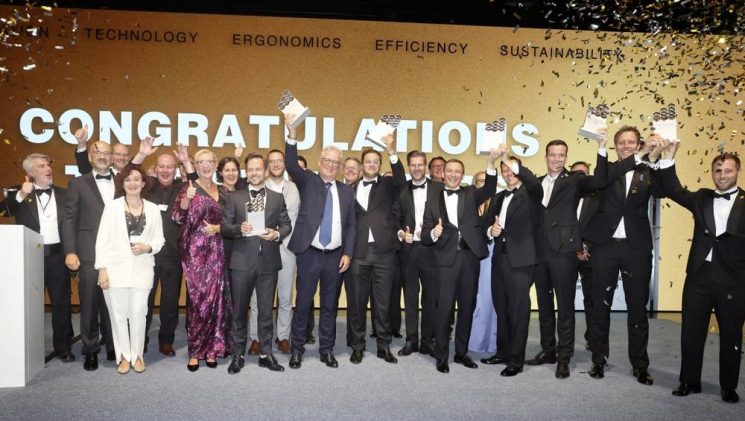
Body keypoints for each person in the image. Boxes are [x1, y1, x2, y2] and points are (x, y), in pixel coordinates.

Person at [657, 142, 744, 403]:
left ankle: (728, 387)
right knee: (691, 333)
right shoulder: (702, 197)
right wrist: (668, 157)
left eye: (728, 171)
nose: (722, 175)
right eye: (718, 170)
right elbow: (673, 190)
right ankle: (688, 381)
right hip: (699, 276)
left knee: (731, 335)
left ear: (737, 172)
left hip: (733, 279)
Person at [518, 137, 608, 379]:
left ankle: (564, 357)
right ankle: (548, 350)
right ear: (546, 156)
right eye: (553, 155)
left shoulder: (574, 181)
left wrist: (601, 147)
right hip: (539, 252)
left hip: (564, 253)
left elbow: (599, 180)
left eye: (561, 155)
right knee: (544, 305)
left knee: (565, 307)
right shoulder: (536, 183)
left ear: (566, 157)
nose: (557, 159)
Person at [585, 126, 664, 384]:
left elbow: (662, 190)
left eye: (631, 142)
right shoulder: (608, 170)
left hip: (636, 248)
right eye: (621, 142)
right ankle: (598, 359)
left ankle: (640, 364)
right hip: (605, 247)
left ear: (638, 144)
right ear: (615, 145)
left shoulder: (647, 170)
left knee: (637, 308)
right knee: (600, 306)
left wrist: (656, 157)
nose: (626, 146)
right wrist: (602, 146)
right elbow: (599, 181)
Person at [284, 114, 356, 369]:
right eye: (327, 160)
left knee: (329, 306)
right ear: (319, 162)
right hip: (309, 253)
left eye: (336, 162)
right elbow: (291, 164)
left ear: (340, 166)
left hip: (335, 256)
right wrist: (292, 134)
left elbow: (351, 225)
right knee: (303, 304)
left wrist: (348, 253)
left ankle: (327, 350)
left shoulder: (347, 191)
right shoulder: (308, 181)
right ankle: (297, 349)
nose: (331, 165)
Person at [421, 148, 499, 373]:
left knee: (467, 306)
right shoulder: (432, 201)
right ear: (442, 174)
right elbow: (425, 235)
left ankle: (461, 352)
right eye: (450, 171)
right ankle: (441, 356)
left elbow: (490, 188)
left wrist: (490, 162)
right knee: (444, 309)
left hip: (469, 258)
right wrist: (434, 233)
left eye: (458, 171)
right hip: (445, 260)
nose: (453, 175)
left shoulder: (470, 194)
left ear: (462, 175)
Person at [222, 152, 292, 374]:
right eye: (250, 169)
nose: (254, 173)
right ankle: (238, 354)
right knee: (239, 312)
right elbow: (224, 227)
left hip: (268, 262)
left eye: (258, 169)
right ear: (247, 171)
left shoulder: (277, 197)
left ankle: (265, 354)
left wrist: (276, 234)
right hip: (241, 263)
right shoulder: (234, 197)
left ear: (265, 170)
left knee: (265, 312)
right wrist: (239, 229)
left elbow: (286, 224)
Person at [1, 154, 74, 362]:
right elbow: (3, 213)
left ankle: (63, 347)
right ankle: (29, 348)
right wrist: (20, 195)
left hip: (58, 256)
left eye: (48, 165)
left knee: (61, 303)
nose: (48, 168)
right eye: (41, 166)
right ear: (30, 173)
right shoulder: (18, 192)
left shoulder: (64, 194)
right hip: (30, 257)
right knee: (30, 305)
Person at [127, 139, 195, 358]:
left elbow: (197, 184)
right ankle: (141, 339)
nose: (165, 170)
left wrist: (186, 161)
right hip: (146, 254)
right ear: (155, 169)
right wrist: (141, 154)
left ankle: (166, 340)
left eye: (170, 167)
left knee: (170, 301)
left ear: (175, 170)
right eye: (161, 167)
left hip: (173, 255)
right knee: (143, 301)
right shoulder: (146, 187)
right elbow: (127, 175)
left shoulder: (182, 188)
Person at [95, 164, 165, 374]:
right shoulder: (112, 207)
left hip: (143, 268)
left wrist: (148, 247)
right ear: (122, 183)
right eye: (128, 180)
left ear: (143, 183)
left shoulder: (153, 209)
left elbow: (159, 239)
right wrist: (102, 269)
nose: (132, 183)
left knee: (139, 312)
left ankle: (138, 356)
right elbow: (102, 240)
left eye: (136, 179)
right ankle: (124, 356)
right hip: (114, 269)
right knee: (117, 315)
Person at [481, 153, 541, 376]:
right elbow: (486, 224)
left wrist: (509, 159)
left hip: (522, 259)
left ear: (520, 170)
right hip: (499, 257)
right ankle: (503, 352)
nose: (508, 173)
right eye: (504, 169)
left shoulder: (532, 193)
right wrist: (491, 230)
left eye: (512, 169)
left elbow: (533, 182)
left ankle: (516, 360)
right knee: (502, 307)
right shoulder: (498, 197)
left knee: (518, 311)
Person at [347, 138, 406, 365]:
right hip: (358, 252)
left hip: (384, 252)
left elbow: (401, 179)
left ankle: (384, 346)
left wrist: (391, 151)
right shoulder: (350, 188)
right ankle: (358, 346)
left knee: (383, 303)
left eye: (375, 162)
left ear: (380, 165)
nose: (371, 165)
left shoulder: (388, 185)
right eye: (368, 162)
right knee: (357, 302)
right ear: (362, 165)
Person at [172, 149, 231, 371]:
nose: (205, 165)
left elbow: (231, 219)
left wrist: (219, 228)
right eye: (200, 162)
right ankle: (196, 351)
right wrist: (186, 200)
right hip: (195, 252)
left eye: (209, 161)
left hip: (217, 249)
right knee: (198, 302)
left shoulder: (223, 190)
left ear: (215, 164)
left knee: (216, 300)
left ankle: (213, 348)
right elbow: (177, 217)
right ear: (195, 166)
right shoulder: (189, 188)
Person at [62, 140, 117, 370]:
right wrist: (70, 251)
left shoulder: (123, 180)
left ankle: (114, 345)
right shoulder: (77, 183)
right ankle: (91, 349)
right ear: (91, 156)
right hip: (87, 252)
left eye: (107, 153)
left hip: (118, 253)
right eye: (98, 152)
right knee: (90, 304)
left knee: (114, 303)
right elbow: (69, 218)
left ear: (112, 157)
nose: (102, 156)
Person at [249, 149, 301, 355]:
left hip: (288, 249)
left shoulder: (296, 188)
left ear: (285, 164)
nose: (277, 164)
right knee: (258, 298)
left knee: (286, 296)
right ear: (267, 165)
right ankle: (256, 337)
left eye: (280, 161)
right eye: (272, 161)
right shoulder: (258, 188)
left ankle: (283, 337)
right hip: (263, 249)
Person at [396, 150, 444, 357]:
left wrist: (435, 232)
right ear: (409, 167)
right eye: (413, 165)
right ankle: (411, 339)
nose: (416, 168)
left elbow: (447, 216)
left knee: (431, 296)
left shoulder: (439, 188)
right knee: (410, 295)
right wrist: (401, 233)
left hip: (431, 249)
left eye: (420, 165)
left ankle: (427, 340)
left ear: (425, 166)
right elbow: (395, 218)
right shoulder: (401, 189)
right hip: (408, 250)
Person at [570, 161, 601, 351]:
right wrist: (576, 247)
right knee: (566, 301)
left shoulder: (598, 197)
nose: (579, 178)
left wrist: (585, 246)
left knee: (592, 299)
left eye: (583, 173)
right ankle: (566, 342)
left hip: (591, 254)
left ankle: (593, 339)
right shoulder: (564, 196)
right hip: (566, 254)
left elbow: (601, 225)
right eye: (575, 174)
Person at [468, 170, 498, 354]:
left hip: (490, 254)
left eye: (487, 181)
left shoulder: (497, 203)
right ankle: (474, 340)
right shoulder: (468, 203)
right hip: (469, 255)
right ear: (474, 184)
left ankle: (490, 341)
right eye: (480, 181)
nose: (484, 184)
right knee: (472, 297)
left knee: (487, 298)